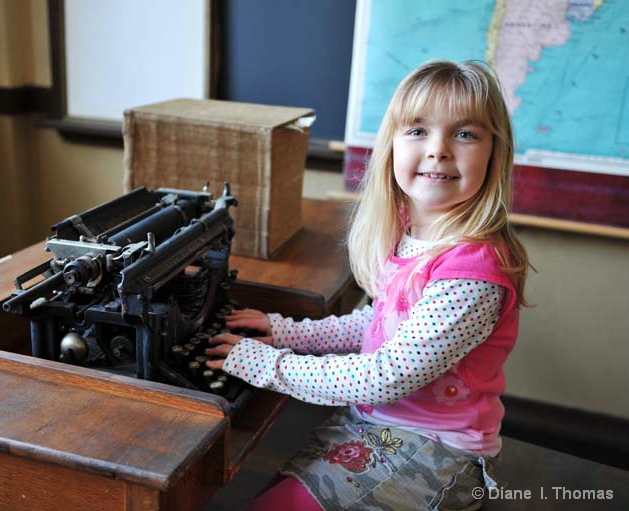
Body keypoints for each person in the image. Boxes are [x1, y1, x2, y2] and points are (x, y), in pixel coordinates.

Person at [206, 60, 530, 510]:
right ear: (392, 145)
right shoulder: (410, 232)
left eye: (465, 133)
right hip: (374, 424)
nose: (438, 149)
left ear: (495, 151)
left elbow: (384, 376)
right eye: (417, 130)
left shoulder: (472, 271)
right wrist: (285, 331)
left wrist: (268, 365)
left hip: (435, 451)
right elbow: (377, 323)